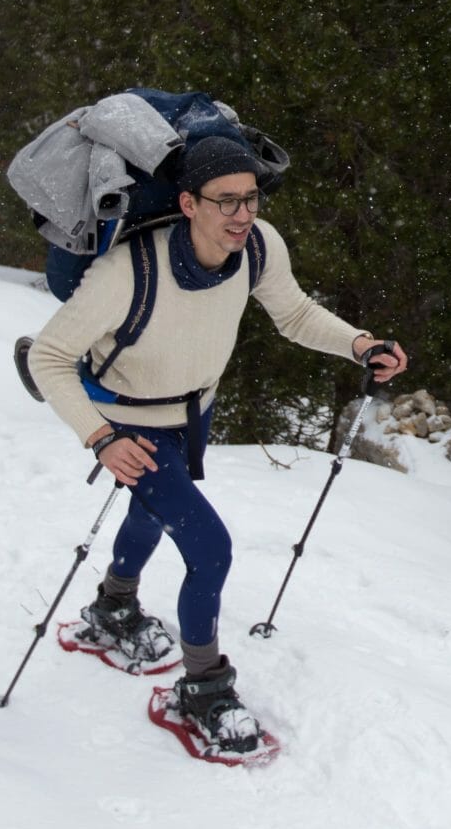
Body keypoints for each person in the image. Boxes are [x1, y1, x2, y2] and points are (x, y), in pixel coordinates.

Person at [23, 134, 407, 755]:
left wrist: (359, 344)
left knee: (151, 513)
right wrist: (100, 439)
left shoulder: (258, 247)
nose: (241, 215)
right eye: (225, 201)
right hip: (130, 423)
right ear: (188, 203)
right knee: (210, 549)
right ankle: (201, 688)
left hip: (193, 410)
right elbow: (50, 355)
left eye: (250, 199)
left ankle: (111, 609)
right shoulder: (128, 270)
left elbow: (296, 314)